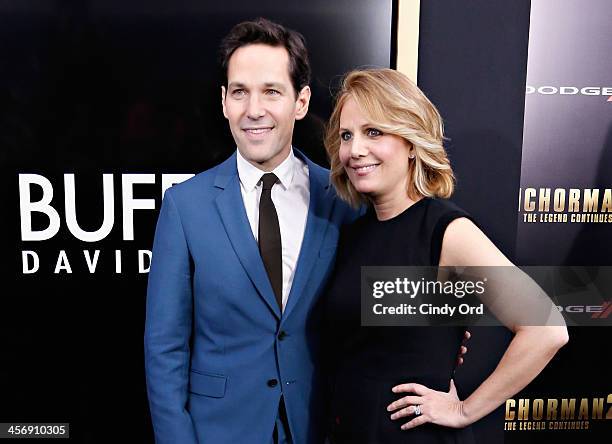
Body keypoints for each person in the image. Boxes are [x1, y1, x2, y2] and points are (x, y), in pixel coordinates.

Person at [322, 68, 569, 443]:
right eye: (346, 135)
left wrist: (464, 410)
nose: (355, 150)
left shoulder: (445, 229)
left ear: (410, 141)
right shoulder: (355, 232)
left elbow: (546, 328)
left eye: (374, 132)